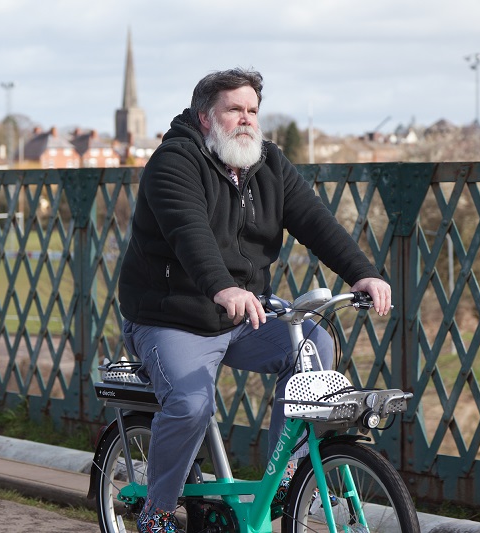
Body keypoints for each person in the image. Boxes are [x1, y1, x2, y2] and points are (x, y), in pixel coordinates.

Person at [118, 67, 391, 533]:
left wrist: (362, 273)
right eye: (233, 110)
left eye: (252, 110)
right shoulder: (173, 162)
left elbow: (315, 221)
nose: (246, 120)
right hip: (173, 316)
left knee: (315, 347)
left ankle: (286, 478)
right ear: (206, 117)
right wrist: (223, 287)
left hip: (245, 314)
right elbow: (190, 233)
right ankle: (157, 511)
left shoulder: (268, 164)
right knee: (190, 404)